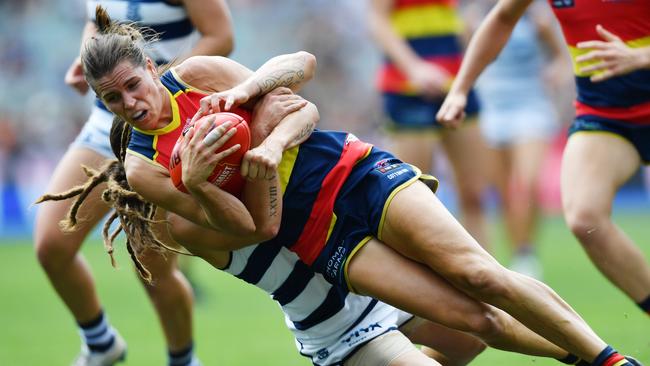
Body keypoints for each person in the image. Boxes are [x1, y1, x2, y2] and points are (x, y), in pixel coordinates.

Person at [46, 8, 644, 366]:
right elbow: (260, 227)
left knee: (482, 278)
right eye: (112, 101)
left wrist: (262, 123)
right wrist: (202, 184)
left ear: (153, 68)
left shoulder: (200, 77)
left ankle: (607, 359)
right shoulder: (157, 181)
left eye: (133, 85)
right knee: (477, 321)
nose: (131, 104)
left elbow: (301, 99)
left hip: (348, 173)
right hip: (323, 266)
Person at [32, 1, 233, 365]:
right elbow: (96, 22)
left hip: (162, 126)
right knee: (51, 246)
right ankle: (100, 342)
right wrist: (88, 60)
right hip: (103, 126)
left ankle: (184, 360)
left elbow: (221, 36)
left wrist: (151, 85)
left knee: (153, 269)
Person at [436, 0, 650, 319]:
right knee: (584, 218)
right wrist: (460, 88)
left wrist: (640, 56)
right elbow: (502, 18)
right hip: (606, 115)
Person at [462, 0, 571, 279]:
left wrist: (555, 73)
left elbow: (562, 57)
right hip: (491, 111)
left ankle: (526, 254)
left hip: (531, 108)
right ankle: (515, 252)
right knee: (503, 193)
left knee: (527, 184)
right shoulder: (474, 18)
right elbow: (467, 62)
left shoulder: (537, 19)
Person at [367, 0, 489, 247]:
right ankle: (423, 279)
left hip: (458, 83)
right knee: (414, 195)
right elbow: (376, 19)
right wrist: (414, 69)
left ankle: (487, 280)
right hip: (407, 88)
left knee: (474, 193)